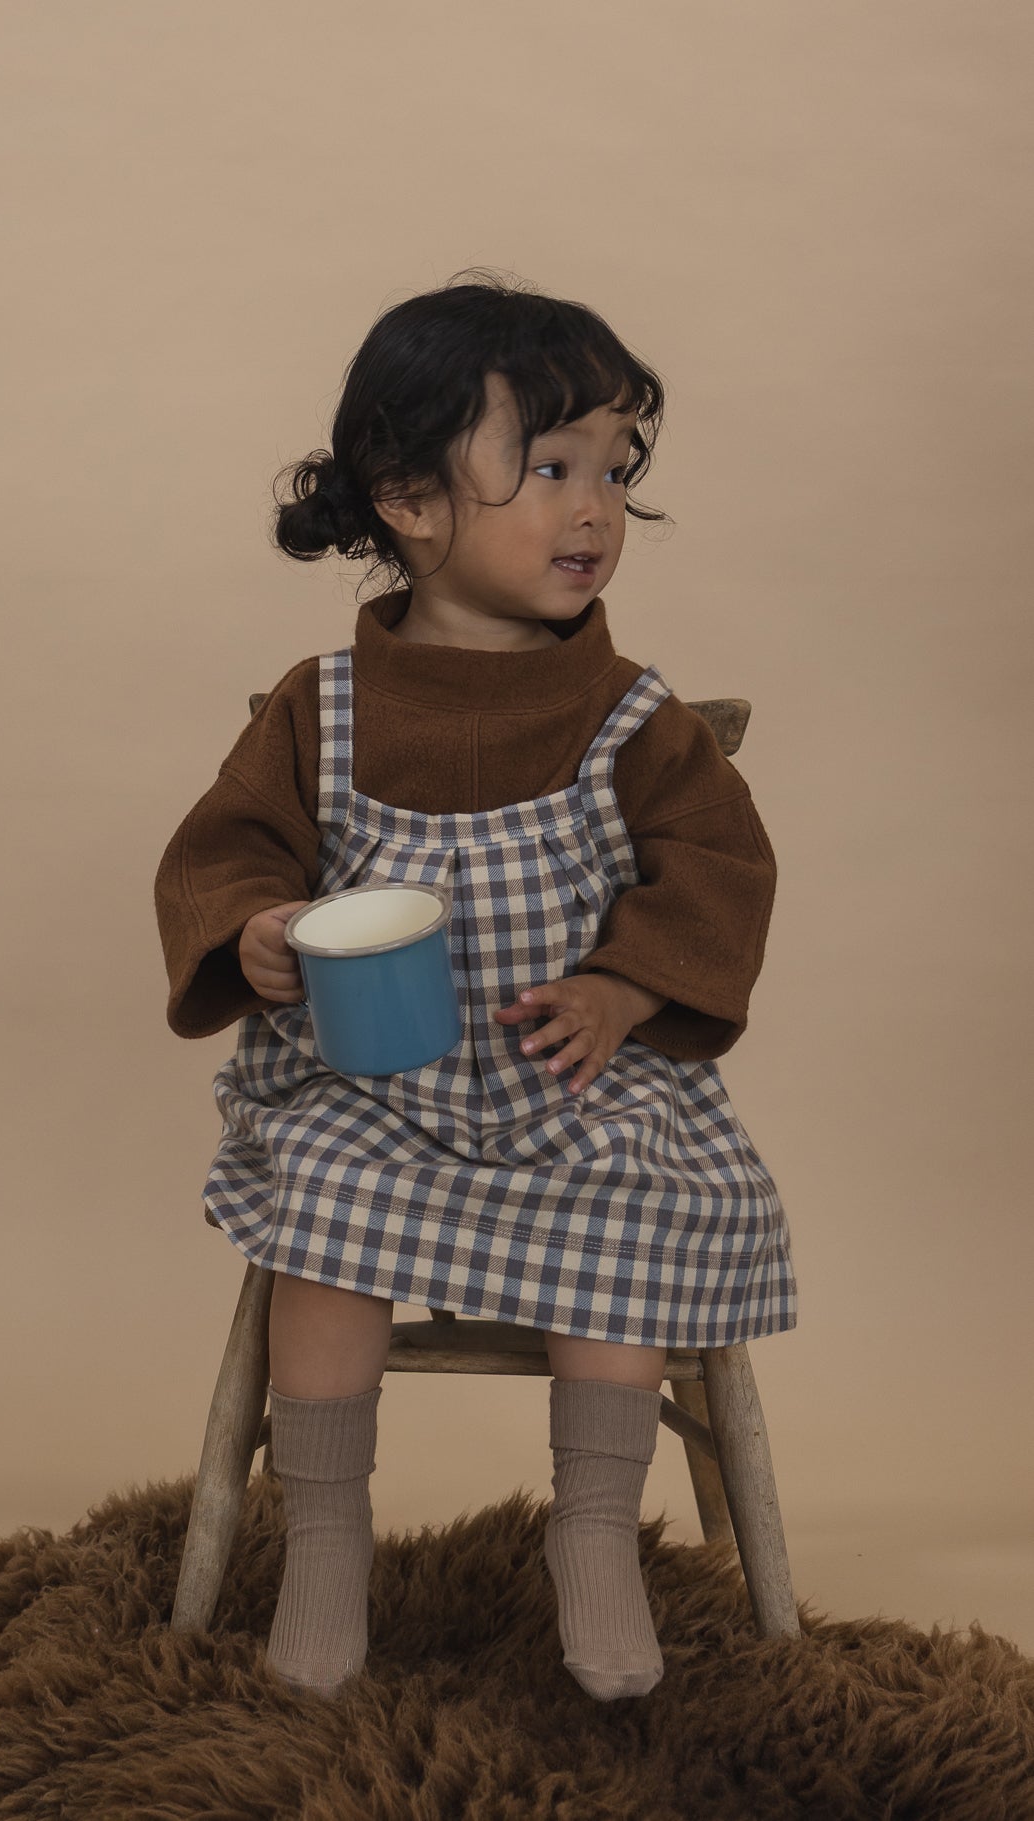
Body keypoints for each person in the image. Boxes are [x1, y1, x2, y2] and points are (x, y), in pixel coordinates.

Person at [153, 269, 797, 1705]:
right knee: (316, 1212)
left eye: (611, 470)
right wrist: (254, 930)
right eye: (549, 466)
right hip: (371, 1085)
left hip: (566, 1084)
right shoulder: (318, 705)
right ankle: (325, 1536)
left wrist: (626, 992)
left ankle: (592, 1530)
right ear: (409, 499)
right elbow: (228, 849)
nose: (593, 510)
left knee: (634, 1200)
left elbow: (712, 866)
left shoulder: (635, 718)